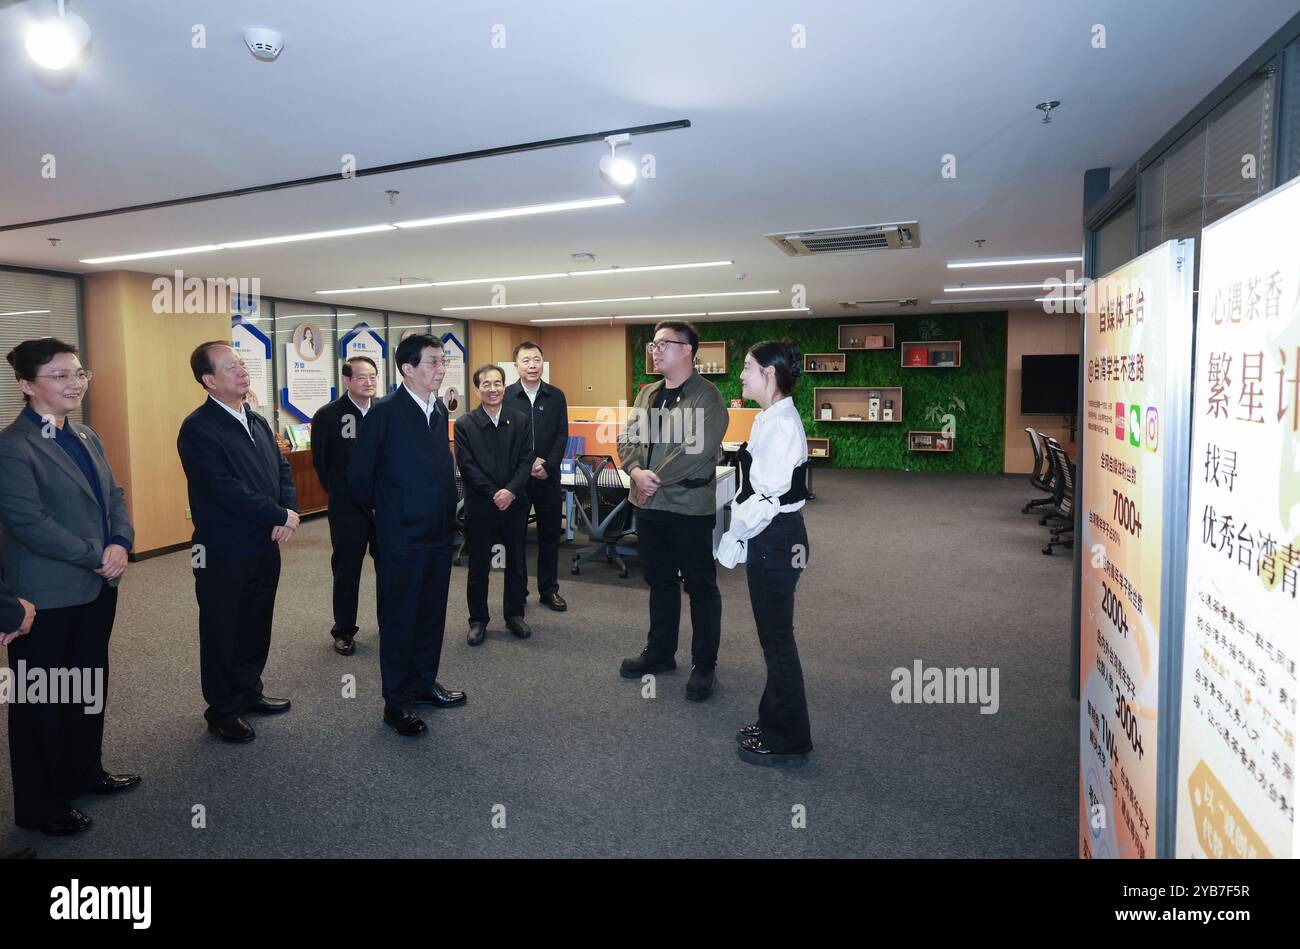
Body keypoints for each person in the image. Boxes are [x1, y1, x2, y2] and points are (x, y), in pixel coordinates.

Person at [0, 339, 139, 836]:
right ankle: (40, 806)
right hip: (45, 597)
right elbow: (27, 521)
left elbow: (114, 495)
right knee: (43, 701)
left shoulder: (85, 434)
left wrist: (121, 540)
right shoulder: (12, 447)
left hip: (97, 587)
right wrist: (96, 555)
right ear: (26, 385)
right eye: (59, 375)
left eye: (79, 373)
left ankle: (84, 771)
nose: (74, 383)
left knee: (88, 686)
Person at [177, 341, 299, 743]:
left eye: (242, 363)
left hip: (265, 542)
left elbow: (282, 467)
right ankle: (223, 709)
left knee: (255, 621)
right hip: (223, 549)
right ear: (209, 381)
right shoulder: (198, 428)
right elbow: (223, 488)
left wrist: (288, 510)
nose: (242, 370)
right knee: (222, 627)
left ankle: (249, 692)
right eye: (231, 367)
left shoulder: (256, 419)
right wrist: (277, 514)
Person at [348, 334, 466, 737]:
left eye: (442, 361)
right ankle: (396, 701)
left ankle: (422, 683)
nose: (441, 369)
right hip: (400, 538)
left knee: (430, 614)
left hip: (437, 534)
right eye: (433, 362)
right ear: (407, 368)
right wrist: (388, 518)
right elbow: (359, 478)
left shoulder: (437, 411)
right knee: (400, 619)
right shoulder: (384, 413)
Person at [617, 321, 728, 701]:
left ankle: (704, 664)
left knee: (700, 586)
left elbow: (695, 452)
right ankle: (661, 653)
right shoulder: (647, 392)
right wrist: (634, 471)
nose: (656, 350)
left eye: (664, 344)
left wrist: (651, 478)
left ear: (687, 350)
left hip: (688, 508)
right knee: (660, 581)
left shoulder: (707, 398)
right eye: (654, 344)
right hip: (649, 506)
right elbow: (627, 436)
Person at [718, 341, 813, 764]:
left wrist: (733, 534)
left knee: (777, 642)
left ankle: (789, 737)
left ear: (769, 374)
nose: (742, 375)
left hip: (776, 539)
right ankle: (774, 721)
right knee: (772, 640)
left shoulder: (780, 425)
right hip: (774, 537)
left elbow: (764, 499)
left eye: (748, 367)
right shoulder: (769, 417)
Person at [456, 364, 533, 645]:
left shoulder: (520, 419)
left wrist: (510, 491)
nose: (493, 389)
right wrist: (494, 493)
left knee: (516, 562)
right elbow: (467, 466)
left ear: (504, 385)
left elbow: (527, 460)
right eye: (486, 384)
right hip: (482, 506)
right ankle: (478, 620)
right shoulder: (465, 424)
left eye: (497, 383)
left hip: (515, 503)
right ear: (477, 389)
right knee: (479, 565)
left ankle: (514, 614)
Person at [312, 355, 380, 655]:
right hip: (347, 508)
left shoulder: (384, 411)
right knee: (347, 569)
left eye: (373, 376)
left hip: (385, 507)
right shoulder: (328, 415)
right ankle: (343, 631)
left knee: (389, 567)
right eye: (362, 377)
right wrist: (342, 493)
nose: (369, 382)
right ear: (347, 380)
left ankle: (389, 623)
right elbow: (321, 462)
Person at [503, 342, 570, 613]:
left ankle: (549, 589)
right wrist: (529, 463)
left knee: (549, 536)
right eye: (526, 361)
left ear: (543, 362)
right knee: (516, 538)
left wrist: (549, 465)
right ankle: (518, 591)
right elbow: (502, 439)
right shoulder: (506, 396)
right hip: (517, 480)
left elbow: (561, 435)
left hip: (548, 478)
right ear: (516, 365)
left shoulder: (556, 396)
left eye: (537, 360)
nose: (532, 365)